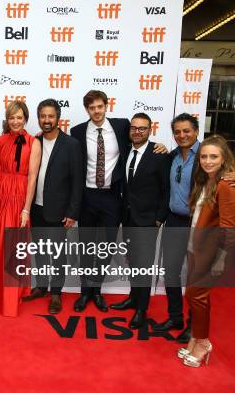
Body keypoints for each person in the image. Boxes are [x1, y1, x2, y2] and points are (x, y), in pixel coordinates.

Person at [153, 113, 235, 343]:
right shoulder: (172, 156)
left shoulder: (206, 156)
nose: (182, 135)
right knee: (171, 271)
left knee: (196, 278)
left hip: (200, 224)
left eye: (186, 130)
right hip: (175, 220)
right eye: (177, 131)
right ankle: (175, 316)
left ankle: (192, 325)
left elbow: (230, 184)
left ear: (196, 131)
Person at [70, 90, 167, 313]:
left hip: (112, 198)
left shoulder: (123, 126)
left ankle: (97, 291)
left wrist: (159, 146)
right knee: (86, 248)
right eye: (91, 108)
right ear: (87, 110)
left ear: (106, 106)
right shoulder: (77, 132)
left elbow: (140, 139)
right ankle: (85, 292)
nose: (96, 111)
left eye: (99, 106)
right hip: (86, 197)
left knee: (105, 248)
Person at [180, 135, 235, 367]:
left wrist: (221, 259)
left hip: (213, 254)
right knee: (199, 299)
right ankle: (196, 338)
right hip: (195, 249)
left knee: (195, 295)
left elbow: (230, 228)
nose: (207, 161)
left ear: (224, 158)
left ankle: (203, 343)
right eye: (204, 156)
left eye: (214, 156)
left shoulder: (227, 186)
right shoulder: (205, 181)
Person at [0, 101, 41, 317]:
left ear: (25, 119)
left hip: (18, 200)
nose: (15, 121)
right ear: (7, 119)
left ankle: (10, 300)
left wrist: (26, 209)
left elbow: (32, 177)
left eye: (19, 117)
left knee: (14, 248)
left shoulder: (34, 143)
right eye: (12, 117)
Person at [109, 113, 170, 329]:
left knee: (143, 266)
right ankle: (133, 298)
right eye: (134, 128)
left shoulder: (160, 155)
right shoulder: (126, 150)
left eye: (142, 128)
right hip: (128, 218)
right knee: (133, 262)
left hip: (147, 221)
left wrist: (159, 219)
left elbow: (166, 190)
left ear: (150, 129)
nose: (137, 131)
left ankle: (142, 309)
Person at [23, 99, 83, 314]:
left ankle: (56, 292)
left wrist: (72, 212)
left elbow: (77, 181)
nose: (46, 120)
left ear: (58, 118)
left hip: (59, 211)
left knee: (57, 253)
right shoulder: (34, 141)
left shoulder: (71, 144)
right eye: (42, 116)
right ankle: (41, 286)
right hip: (36, 208)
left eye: (50, 116)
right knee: (39, 250)